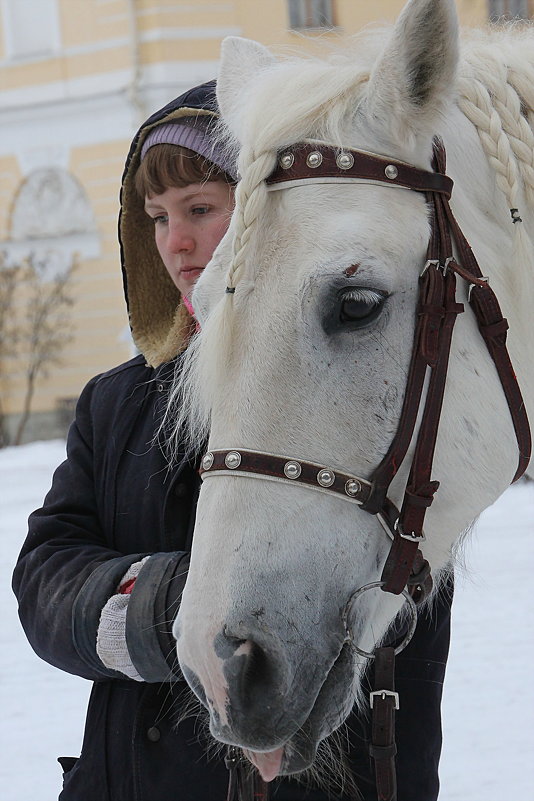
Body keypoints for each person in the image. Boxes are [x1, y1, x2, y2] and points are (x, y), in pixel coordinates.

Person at [12, 79, 452, 801]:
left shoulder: (353, 378)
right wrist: (177, 609)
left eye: (199, 209)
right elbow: (43, 582)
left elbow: (407, 582)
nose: (174, 240)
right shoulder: (118, 400)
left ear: (267, 214)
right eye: (156, 217)